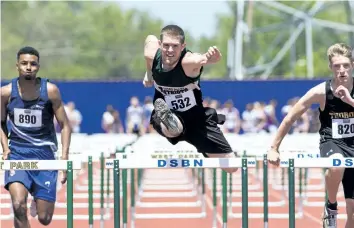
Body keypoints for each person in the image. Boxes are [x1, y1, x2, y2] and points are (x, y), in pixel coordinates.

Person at [268, 43, 354, 228]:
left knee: (353, 214)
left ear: (352, 65)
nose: (342, 71)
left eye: (346, 65)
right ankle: (331, 206)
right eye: (337, 66)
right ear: (330, 67)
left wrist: (350, 101)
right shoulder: (320, 92)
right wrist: (274, 148)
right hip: (332, 143)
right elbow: (290, 117)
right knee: (336, 164)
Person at [143, 24, 237, 173]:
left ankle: (197, 142)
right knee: (174, 129)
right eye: (166, 45)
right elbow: (150, 38)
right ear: (160, 45)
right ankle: (171, 123)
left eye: (175, 46)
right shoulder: (152, 54)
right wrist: (148, 73)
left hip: (197, 121)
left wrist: (210, 58)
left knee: (232, 166)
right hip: (168, 114)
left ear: (183, 47)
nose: (170, 50)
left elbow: (201, 59)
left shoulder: (188, 62)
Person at [0, 46, 72, 228]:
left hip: (44, 155)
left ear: (38, 66)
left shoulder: (50, 91)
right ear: (17, 65)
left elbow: (65, 126)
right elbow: (0, 123)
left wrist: (64, 158)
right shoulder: (5, 93)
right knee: (18, 206)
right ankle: (24, 196)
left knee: (44, 219)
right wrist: (5, 148)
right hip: (18, 155)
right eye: (24, 63)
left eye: (33, 64)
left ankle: (36, 195)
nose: (28, 67)